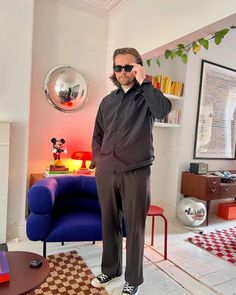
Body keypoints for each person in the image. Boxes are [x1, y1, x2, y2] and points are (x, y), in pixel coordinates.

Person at [90, 47, 171, 295]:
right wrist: (98, 160)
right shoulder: (107, 101)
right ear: (114, 70)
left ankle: (133, 280)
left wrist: (144, 82)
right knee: (109, 223)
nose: (123, 72)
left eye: (128, 67)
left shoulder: (147, 96)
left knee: (134, 227)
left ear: (137, 67)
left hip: (135, 172)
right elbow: (98, 134)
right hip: (106, 172)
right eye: (118, 67)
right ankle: (110, 270)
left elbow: (163, 110)